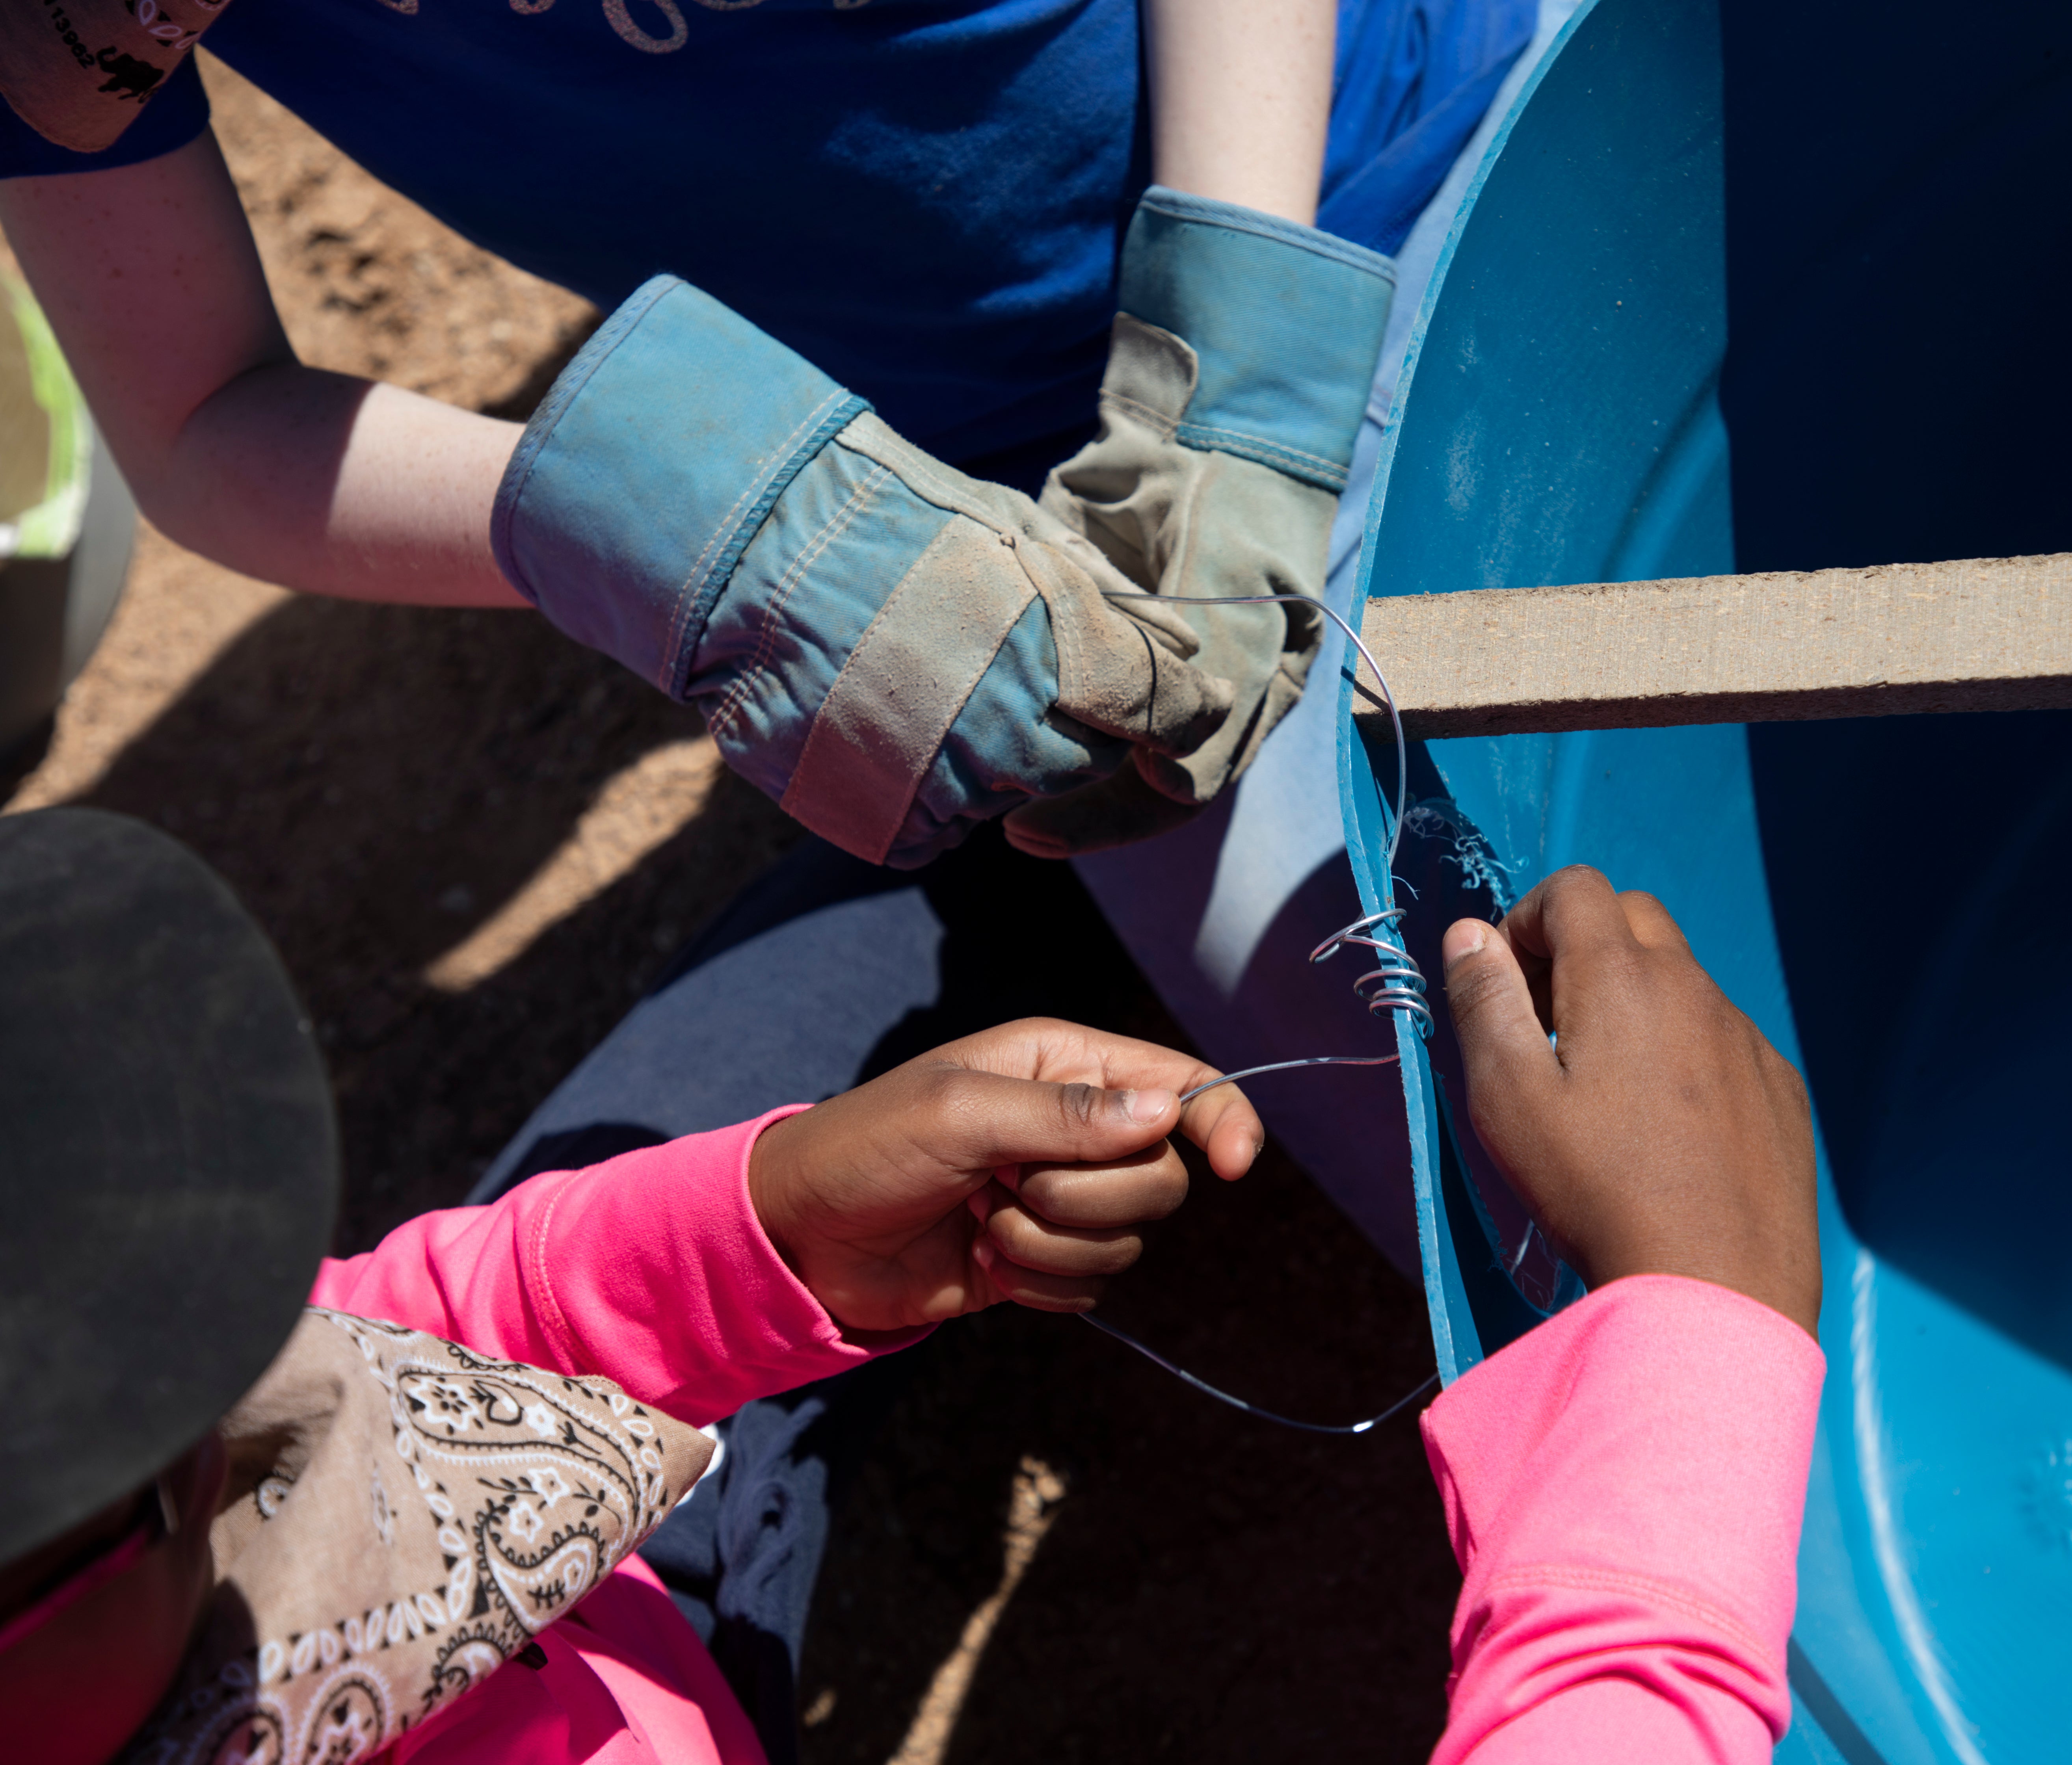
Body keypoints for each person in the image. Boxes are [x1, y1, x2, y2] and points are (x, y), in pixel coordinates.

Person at [0, 0, 1561, 1276]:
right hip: (1008, 491)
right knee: (1498, 1137)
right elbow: (200, 420)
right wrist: (697, 534)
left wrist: (1241, 366)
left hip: (1400, 158)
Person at [0, 807, 1824, 1764]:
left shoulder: (237, 1471)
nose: (253, 1412)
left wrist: (763, 1233)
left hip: (570, 1542)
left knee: (1000, 842)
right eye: (148, 1459)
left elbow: (376, 1357)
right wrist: (1692, 1352)